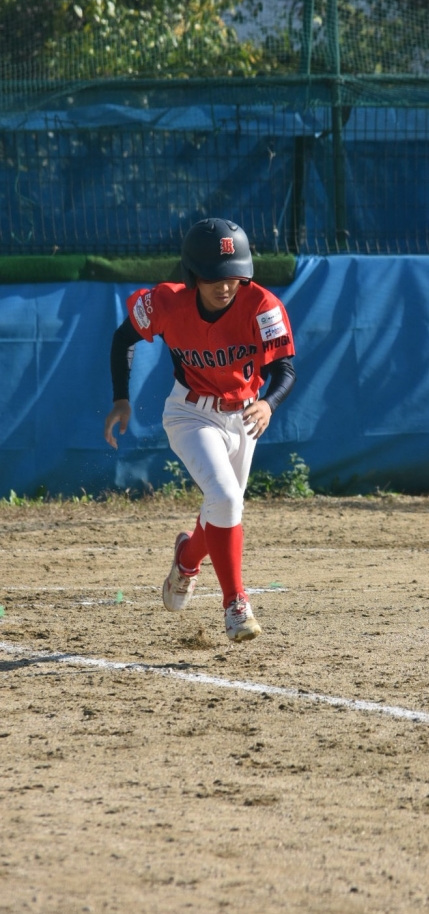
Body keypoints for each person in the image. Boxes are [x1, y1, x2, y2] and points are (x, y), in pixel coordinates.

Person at [103, 218, 296, 643]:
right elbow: (122, 339)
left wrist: (268, 402)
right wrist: (121, 398)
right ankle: (235, 604)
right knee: (225, 498)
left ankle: (187, 560)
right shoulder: (165, 302)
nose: (225, 286)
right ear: (193, 274)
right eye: (213, 276)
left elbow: (284, 370)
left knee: (222, 508)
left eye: (233, 275)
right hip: (190, 414)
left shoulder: (262, 305)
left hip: (245, 417)